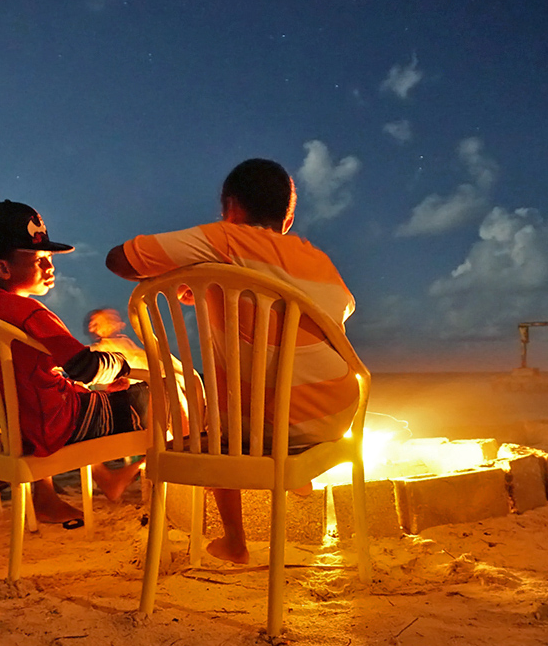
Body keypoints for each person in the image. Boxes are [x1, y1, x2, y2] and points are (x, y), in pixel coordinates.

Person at [106, 158, 359, 564]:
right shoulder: (319, 261)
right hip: (336, 416)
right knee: (271, 377)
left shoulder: (226, 239)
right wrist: (215, 281)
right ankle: (296, 469)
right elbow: (336, 311)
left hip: (252, 431)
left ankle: (235, 540)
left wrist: (197, 267)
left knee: (220, 419)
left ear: (230, 207)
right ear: (288, 218)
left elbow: (119, 260)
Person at [0, 200, 148, 523]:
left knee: (89, 396)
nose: (50, 268)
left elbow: (34, 377)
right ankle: (179, 499)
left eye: (50, 258)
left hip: (15, 426)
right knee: (160, 398)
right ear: (3, 268)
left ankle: (48, 498)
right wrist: (121, 364)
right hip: (59, 426)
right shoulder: (31, 315)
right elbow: (85, 366)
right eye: (40, 259)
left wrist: (98, 391)